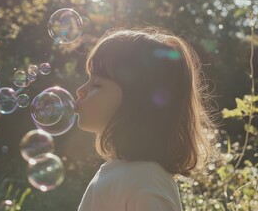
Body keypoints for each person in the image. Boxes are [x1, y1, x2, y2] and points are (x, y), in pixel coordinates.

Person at [75, 27, 221, 211]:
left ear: (136, 102)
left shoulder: (146, 183)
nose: (80, 90)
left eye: (97, 84)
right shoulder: (121, 171)